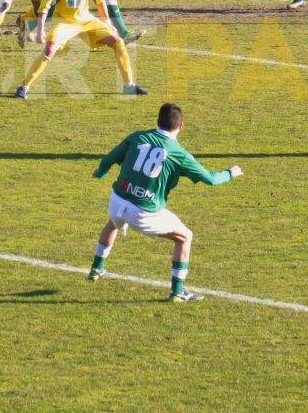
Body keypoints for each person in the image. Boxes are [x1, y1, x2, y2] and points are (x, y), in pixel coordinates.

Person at [88, 102, 244, 303]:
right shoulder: (179, 154)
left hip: (117, 200)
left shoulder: (138, 137)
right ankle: (177, 292)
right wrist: (230, 173)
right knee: (185, 237)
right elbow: (211, 179)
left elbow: (108, 159)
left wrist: (100, 173)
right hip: (144, 212)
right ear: (181, 126)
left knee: (114, 222)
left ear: (157, 121)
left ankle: (97, 267)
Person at [15, 0, 148, 98]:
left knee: (118, 41)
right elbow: (45, 6)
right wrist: (40, 32)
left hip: (85, 20)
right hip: (64, 21)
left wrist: (108, 24)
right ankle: (24, 87)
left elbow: (100, 2)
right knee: (49, 50)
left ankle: (129, 86)